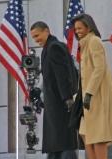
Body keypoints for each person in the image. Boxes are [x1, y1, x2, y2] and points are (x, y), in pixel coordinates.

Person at [72, 13, 112, 159]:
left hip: (98, 96)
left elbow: (99, 68)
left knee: (98, 137)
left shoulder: (94, 41)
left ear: (88, 26)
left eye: (80, 28)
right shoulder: (85, 44)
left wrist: (89, 93)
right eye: (75, 29)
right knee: (85, 133)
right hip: (88, 98)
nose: (77, 31)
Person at [30, 21, 78, 159]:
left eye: (37, 35)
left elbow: (62, 75)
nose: (36, 39)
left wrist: (68, 99)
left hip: (60, 105)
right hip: (54, 103)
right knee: (56, 143)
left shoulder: (54, 47)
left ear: (47, 31)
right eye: (34, 37)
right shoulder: (50, 47)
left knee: (63, 142)